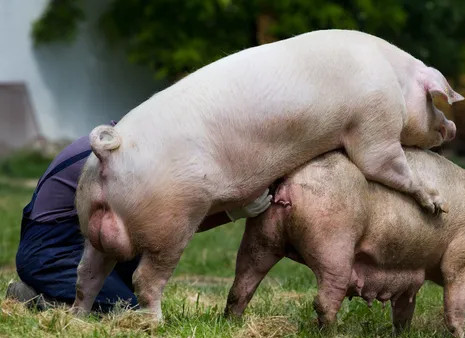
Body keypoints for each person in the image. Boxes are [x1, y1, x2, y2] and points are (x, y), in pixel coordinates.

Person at [6, 123, 272, 312]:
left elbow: (164, 220)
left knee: (126, 292)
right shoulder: (126, 155)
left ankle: (52, 292)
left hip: (72, 237)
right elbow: (166, 223)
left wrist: (230, 211)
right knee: (126, 310)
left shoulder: (128, 135)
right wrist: (232, 212)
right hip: (52, 249)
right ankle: (35, 299)